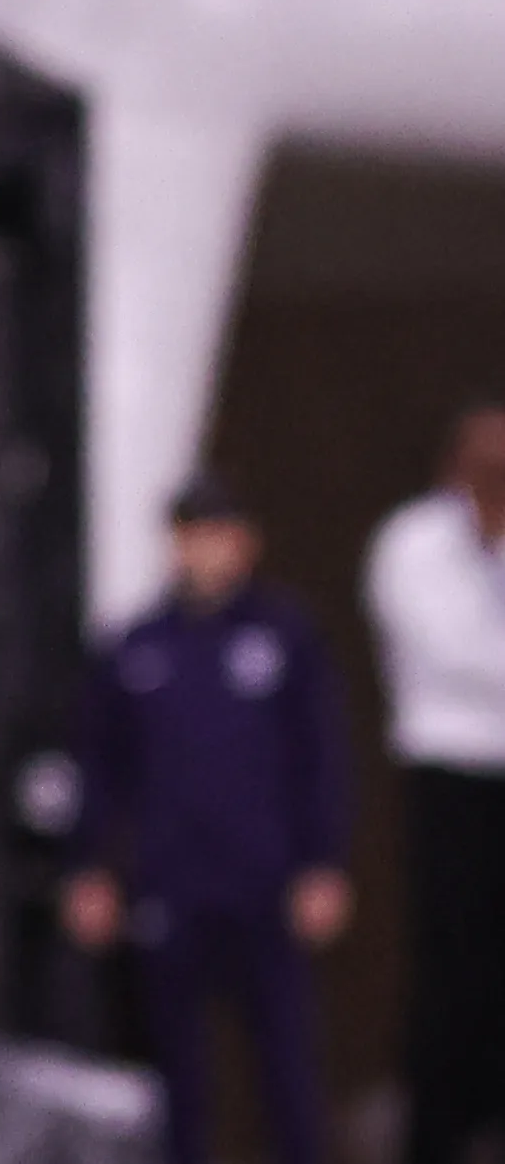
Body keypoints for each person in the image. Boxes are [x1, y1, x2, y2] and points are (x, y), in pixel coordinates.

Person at [63, 479, 353, 1164]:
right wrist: (90, 866)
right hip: (170, 883)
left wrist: (323, 861)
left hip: (262, 883)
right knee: (176, 1077)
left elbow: (321, 756)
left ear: (246, 541)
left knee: (285, 1065)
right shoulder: (136, 645)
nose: (205, 549)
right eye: (191, 534)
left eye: (219, 532)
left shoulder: (286, 637)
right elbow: (99, 767)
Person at [365, 403, 505, 1164]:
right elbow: (452, 651)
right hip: (447, 768)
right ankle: (437, 1134)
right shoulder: (413, 541)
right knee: (450, 959)